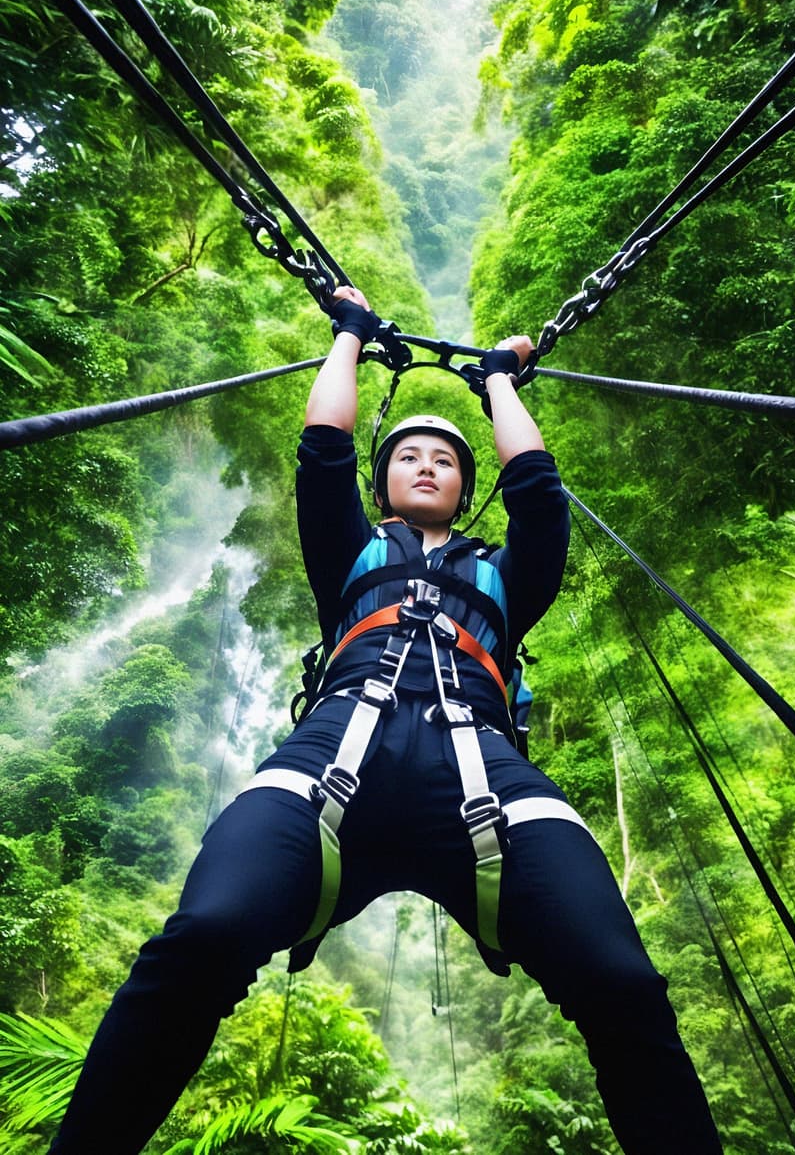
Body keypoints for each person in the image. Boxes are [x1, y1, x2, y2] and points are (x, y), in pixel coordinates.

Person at [48, 287, 722, 1155]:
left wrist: (498, 385)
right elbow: (323, 452)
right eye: (410, 455)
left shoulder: (507, 578)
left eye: (447, 458)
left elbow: (541, 498)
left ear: (465, 486)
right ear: (386, 483)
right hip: (332, 749)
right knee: (203, 940)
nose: (430, 463)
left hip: (483, 765)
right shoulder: (353, 554)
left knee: (622, 983)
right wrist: (348, 337)